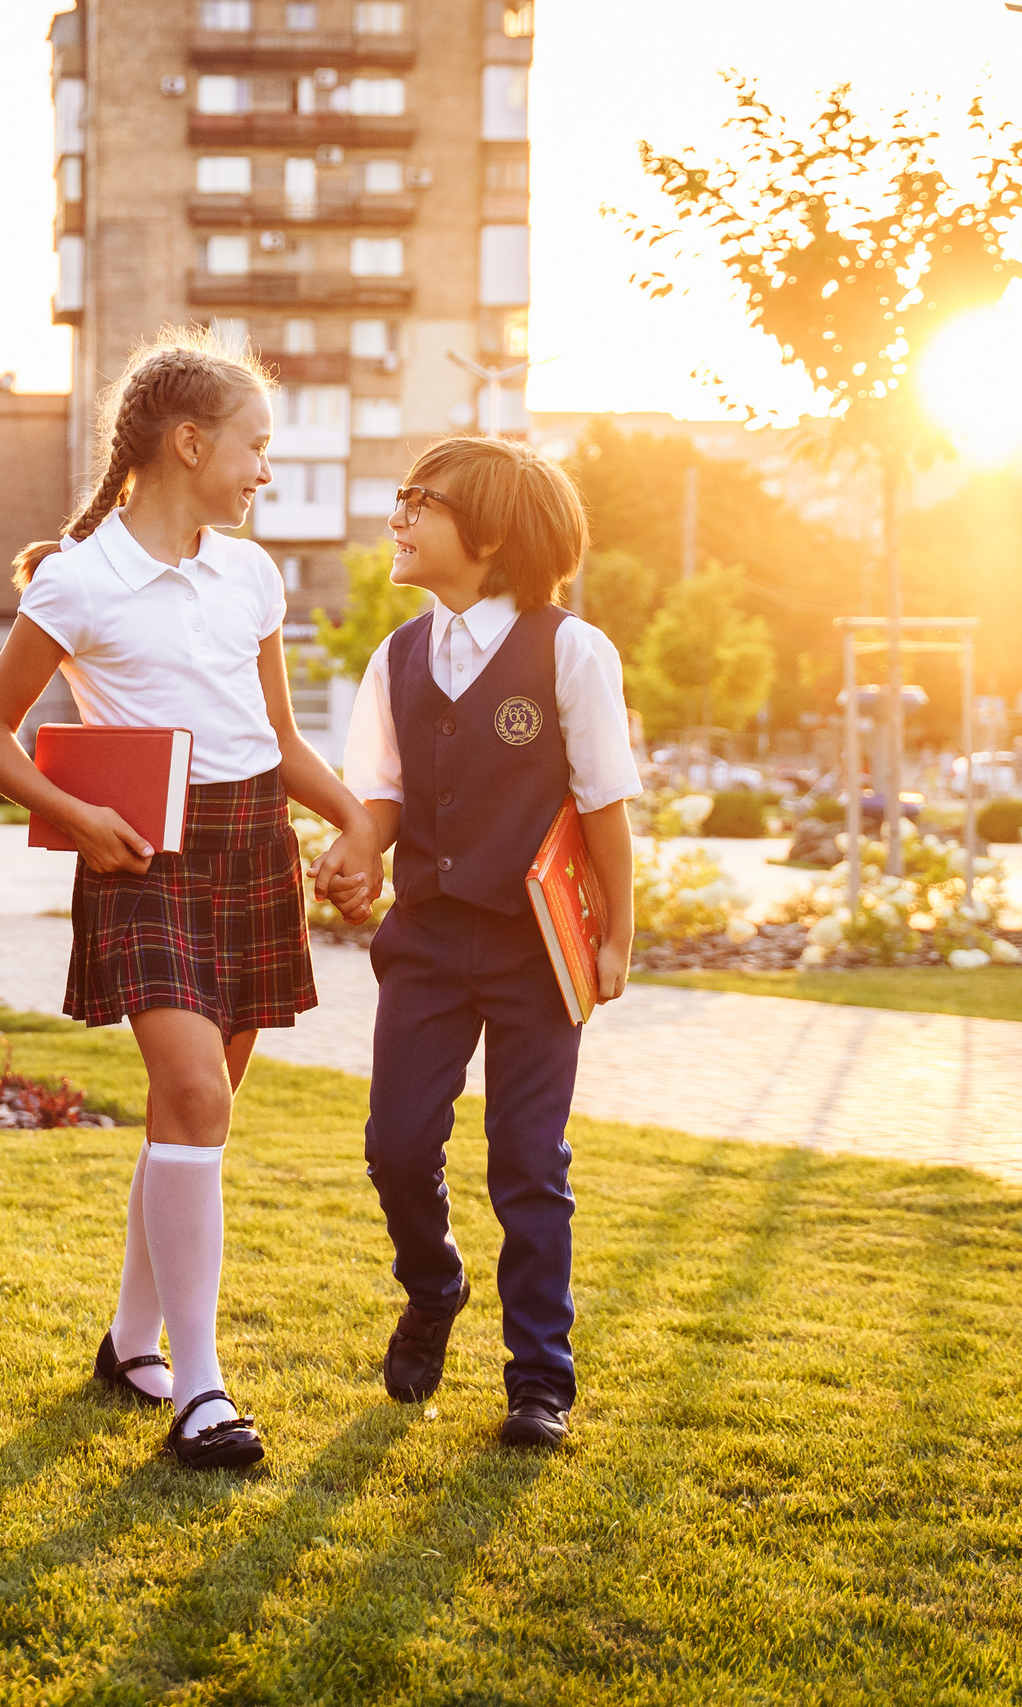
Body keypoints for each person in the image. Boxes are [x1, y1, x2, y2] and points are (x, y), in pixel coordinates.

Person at [0, 329, 381, 1472]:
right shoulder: (77, 578)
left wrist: (352, 819)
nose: (263, 470)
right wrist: (77, 814)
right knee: (193, 1096)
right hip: (142, 859)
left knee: (191, 1117)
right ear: (188, 443)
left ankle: (130, 1341)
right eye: (254, 446)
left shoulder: (250, 573)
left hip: (251, 846)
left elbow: (278, 739)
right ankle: (202, 1388)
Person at [340, 437, 641, 1451]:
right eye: (401, 497)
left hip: (535, 953)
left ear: (493, 534)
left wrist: (615, 940)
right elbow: (380, 794)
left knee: (526, 1161)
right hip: (423, 941)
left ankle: (538, 1383)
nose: (399, 516)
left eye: (421, 501)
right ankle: (434, 1288)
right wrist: (353, 849)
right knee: (395, 1147)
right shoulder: (398, 656)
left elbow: (603, 809)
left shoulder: (570, 650)